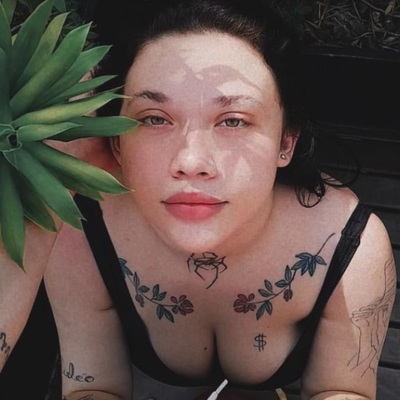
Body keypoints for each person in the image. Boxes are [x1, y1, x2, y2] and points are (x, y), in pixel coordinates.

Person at [1, 0, 396, 399]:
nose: (190, 162)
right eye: (154, 118)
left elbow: (343, 388)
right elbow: (92, 385)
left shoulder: (349, 248)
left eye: (234, 121)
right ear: (116, 140)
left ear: (286, 142)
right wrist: (44, 194)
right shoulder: (82, 229)